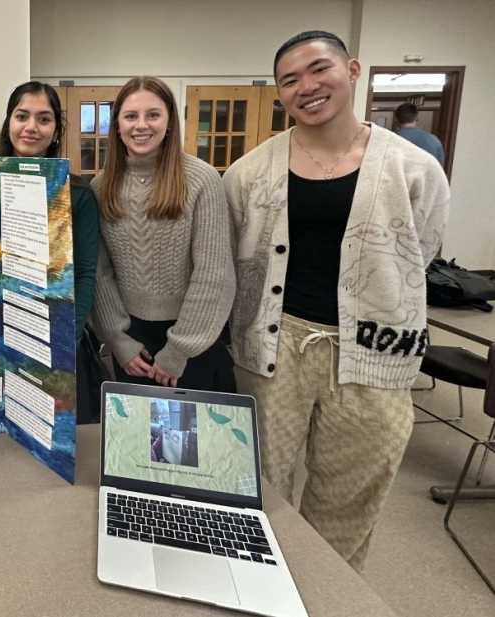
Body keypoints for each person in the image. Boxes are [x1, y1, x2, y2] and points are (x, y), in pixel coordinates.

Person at [223, 31, 449, 571]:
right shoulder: (248, 173)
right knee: (261, 489)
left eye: (318, 69)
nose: (307, 86)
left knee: (347, 498)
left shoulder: (413, 169)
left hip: (372, 355)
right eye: (289, 80)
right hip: (274, 349)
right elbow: (238, 256)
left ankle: (328, 595)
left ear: (351, 70)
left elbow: (422, 250)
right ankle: (262, 588)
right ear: (279, 93)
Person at [90, 76, 236, 392]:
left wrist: (180, 348)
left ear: (169, 121)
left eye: (153, 114)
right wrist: (116, 339)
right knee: (138, 434)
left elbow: (214, 273)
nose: (141, 125)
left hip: (193, 334)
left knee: (188, 435)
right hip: (131, 340)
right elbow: (99, 273)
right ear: (117, 124)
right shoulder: (101, 188)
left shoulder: (201, 180)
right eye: (131, 116)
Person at [0, 81, 100, 422]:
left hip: (55, 339)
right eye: (22, 116)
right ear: (8, 123)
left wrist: (65, 338)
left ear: (56, 130)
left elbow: (84, 273)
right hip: (0, 336)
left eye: (44, 119)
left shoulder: (78, 194)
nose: (31, 127)